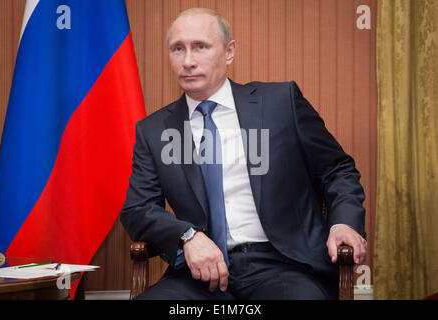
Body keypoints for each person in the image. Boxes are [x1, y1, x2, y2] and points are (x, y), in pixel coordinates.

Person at [120, 8, 367, 300]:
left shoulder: (280, 103)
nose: (187, 61)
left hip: (284, 267)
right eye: (178, 49)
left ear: (229, 52)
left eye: (200, 46)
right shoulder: (153, 131)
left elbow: (337, 169)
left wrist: (344, 223)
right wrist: (187, 237)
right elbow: (138, 209)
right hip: (197, 274)